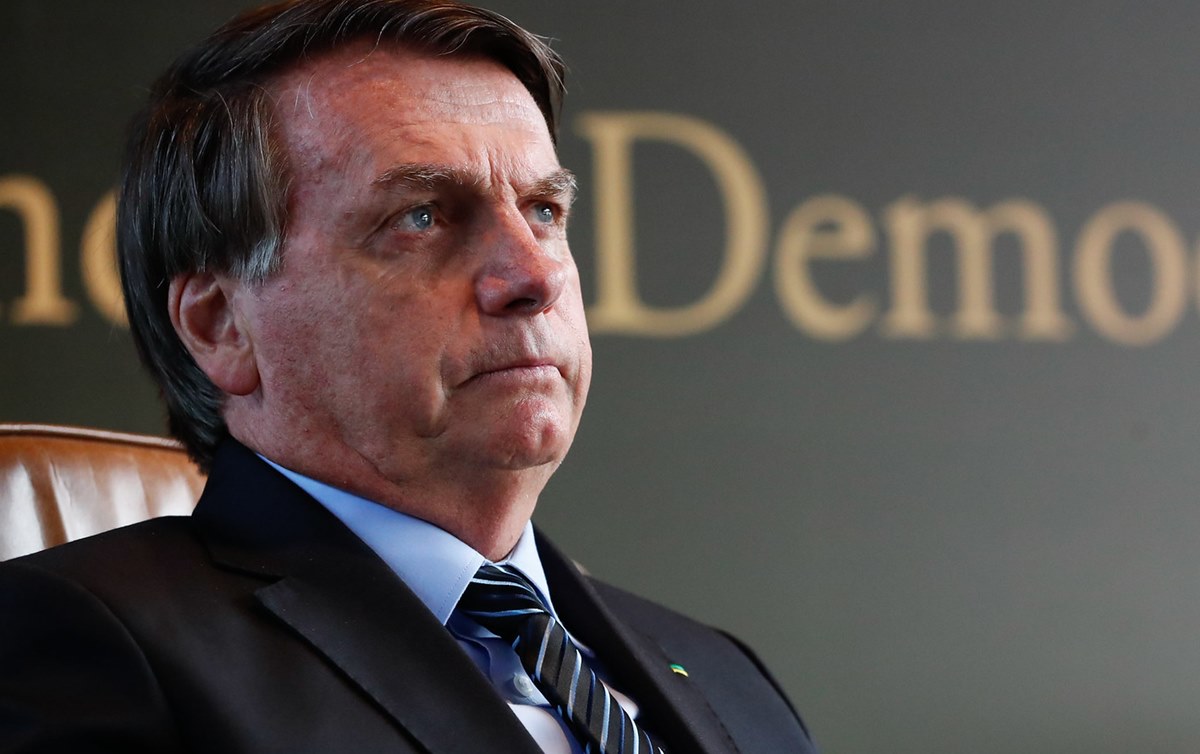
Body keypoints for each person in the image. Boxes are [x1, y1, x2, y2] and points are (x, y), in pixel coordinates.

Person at [0, 1, 818, 752]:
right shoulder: (89, 644)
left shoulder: (724, 677)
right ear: (222, 326)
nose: (534, 275)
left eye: (544, 211)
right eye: (421, 217)